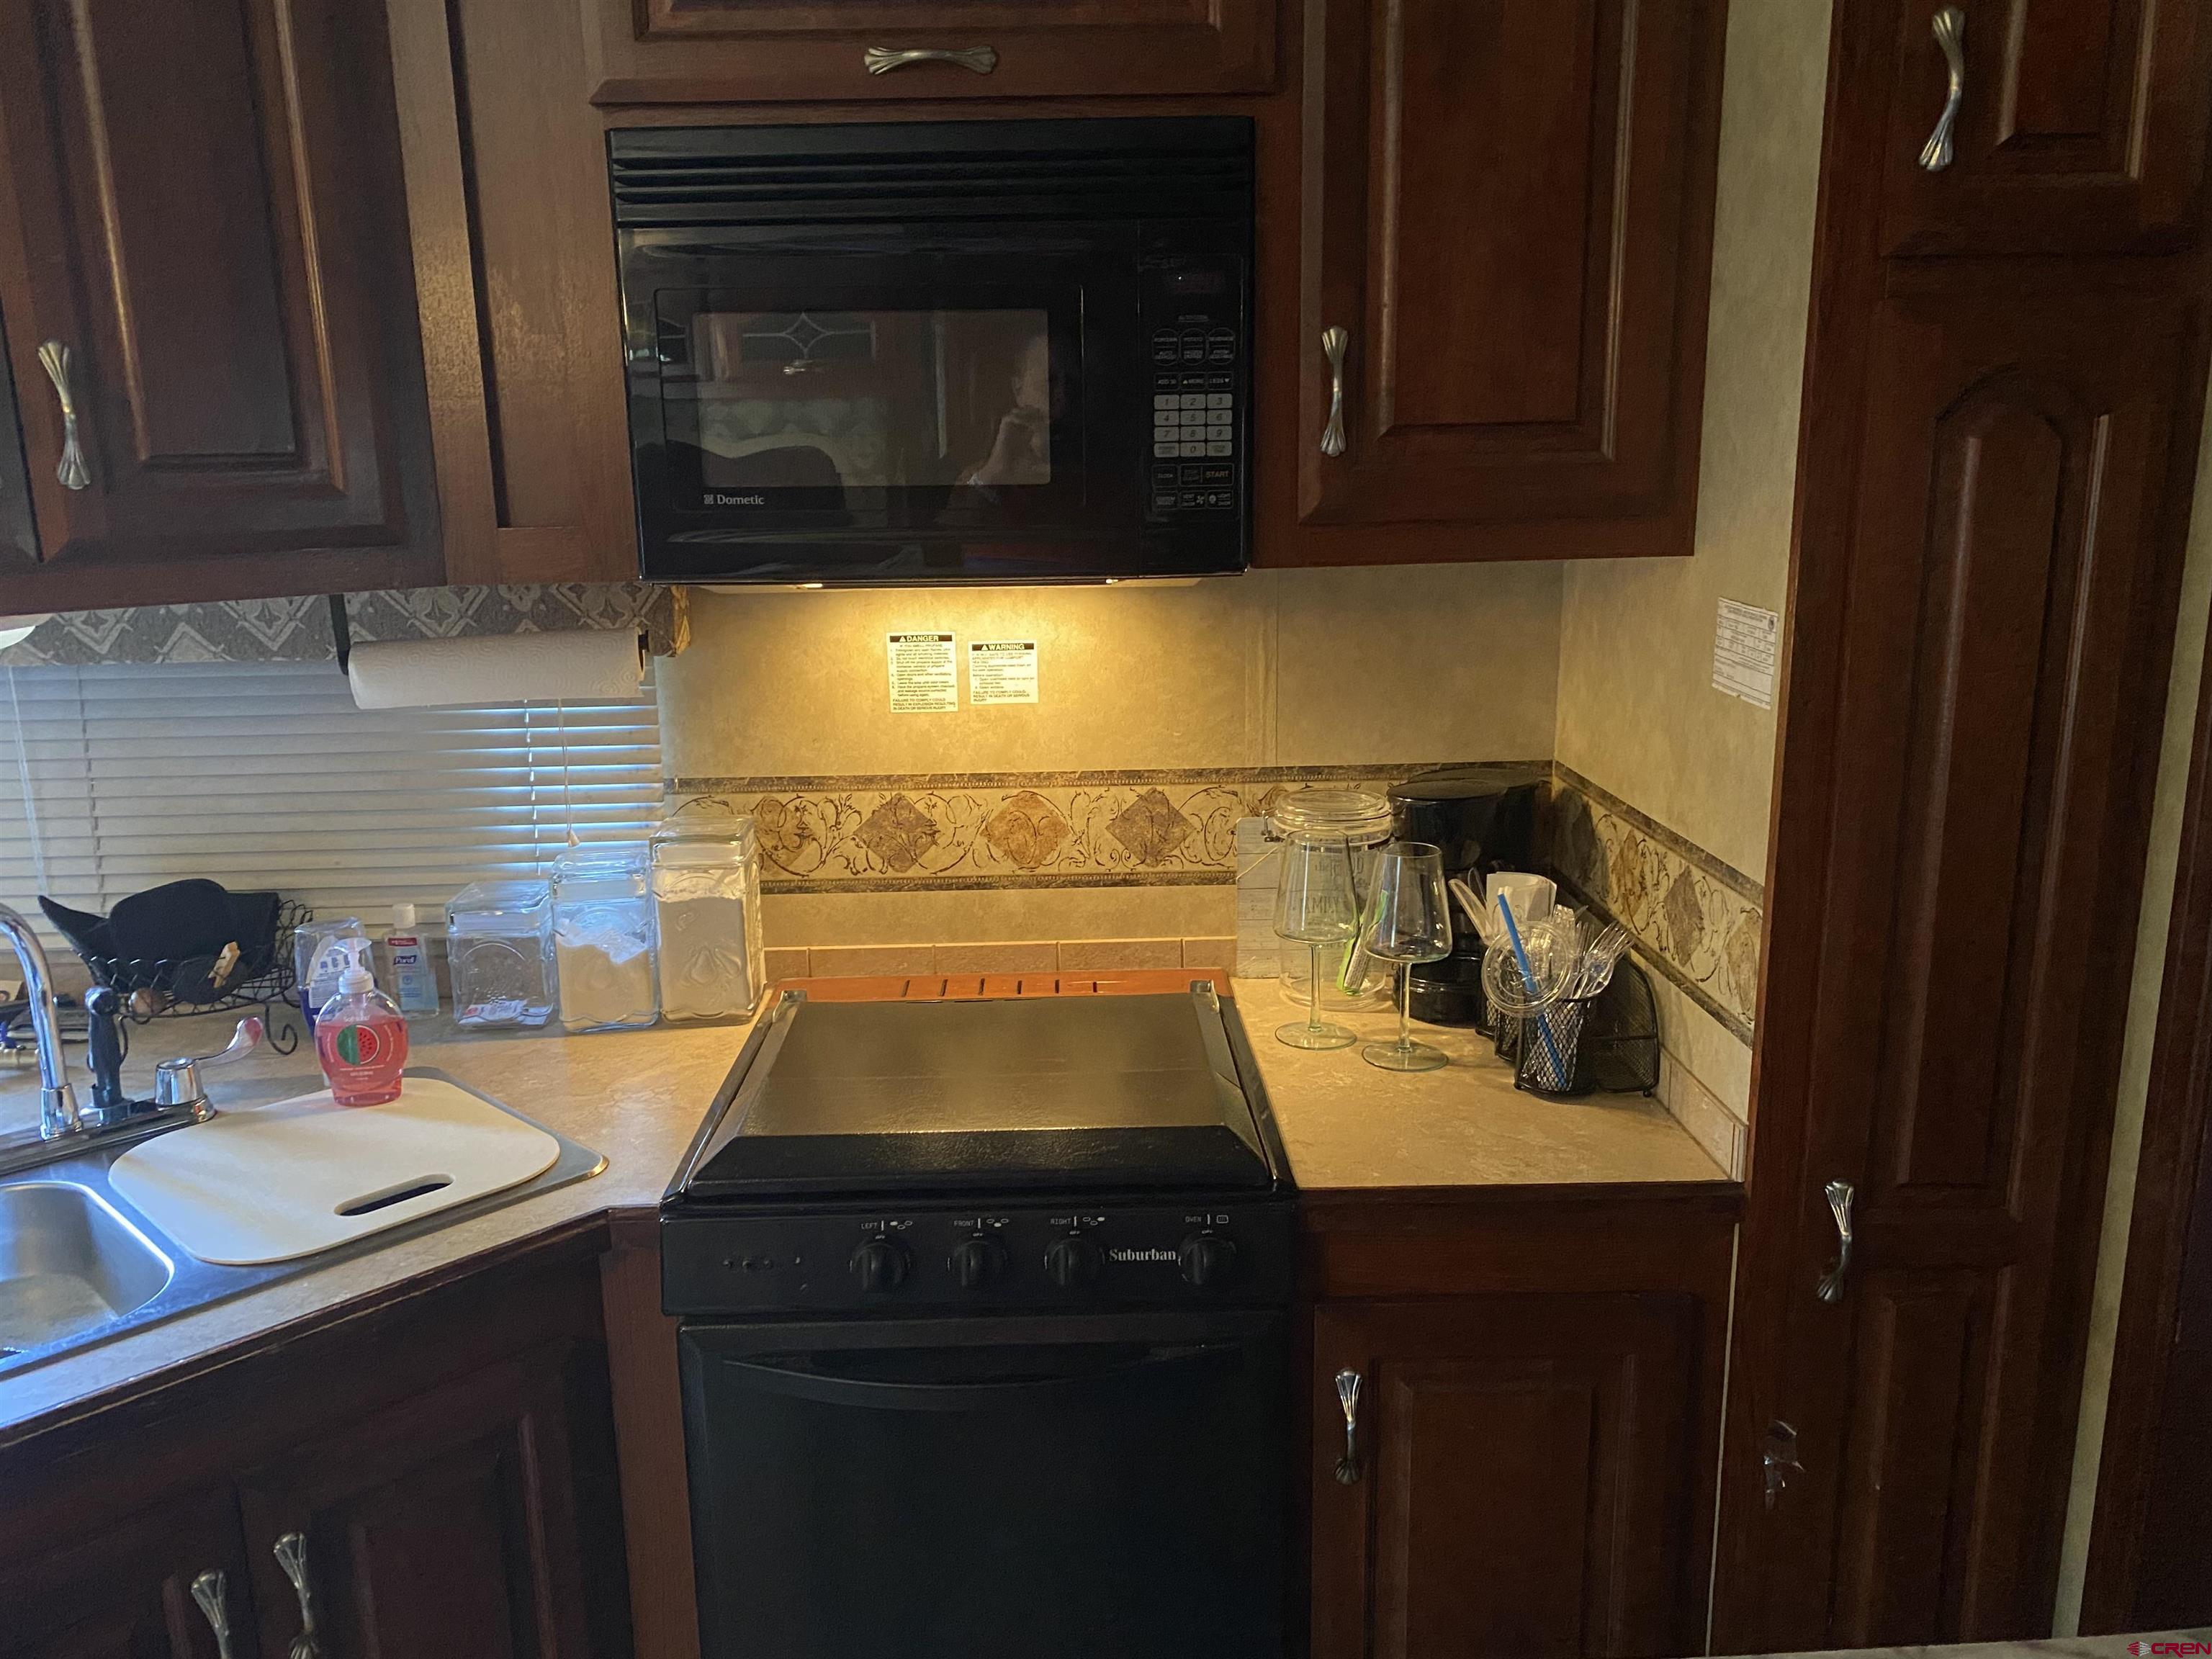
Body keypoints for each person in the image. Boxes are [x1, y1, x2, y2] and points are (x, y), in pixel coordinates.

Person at [961, 331, 1052, 487]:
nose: (1063, 396)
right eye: (1049, 382)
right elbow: (958, 511)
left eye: (1073, 384)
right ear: (1018, 389)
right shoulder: (982, 473)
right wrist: (993, 473)